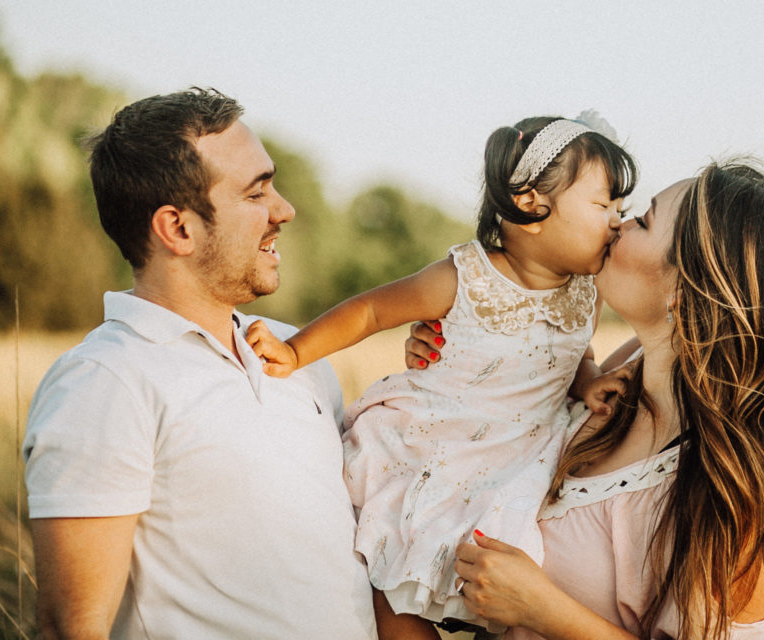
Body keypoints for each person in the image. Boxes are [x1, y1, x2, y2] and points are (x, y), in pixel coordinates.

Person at [407, 162, 764, 639]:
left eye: (645, 220)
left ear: (684, 288)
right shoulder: (622, 374)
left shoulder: (741, 491)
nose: (617, 222)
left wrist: (541, 607)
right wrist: (463, 349)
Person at [247, 113, 638, 636]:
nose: (616, 222)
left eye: (620, 208)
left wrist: (587, 377)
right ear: (529, 202)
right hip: (436, 448)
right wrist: (295, 351)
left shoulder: (583, 296)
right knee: (392, 583)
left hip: (515, 458)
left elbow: (570, 352)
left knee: (488, 576)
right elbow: (370, 313)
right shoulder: (467, 277)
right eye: (601, 205)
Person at [21, 88, 377, 639]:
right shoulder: (105, 382)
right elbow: (72, 631)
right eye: (257, 193)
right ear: (178, 228)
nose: (284, 210)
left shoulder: (298, 352)